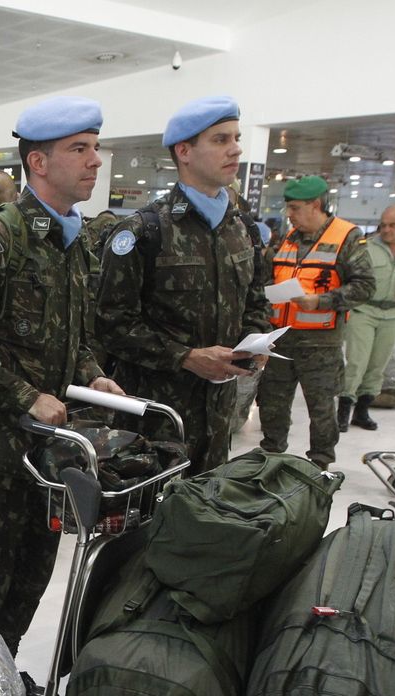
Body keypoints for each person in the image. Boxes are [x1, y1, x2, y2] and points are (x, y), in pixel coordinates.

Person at [0, 95, 127, 656]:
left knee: (33, 579)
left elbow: (73, 336)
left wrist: (92, 375)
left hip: (52, 450)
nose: (94, 161)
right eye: (79, 149)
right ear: (37, 163)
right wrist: (24, 395)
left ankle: (2, 683)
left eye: (95, 148)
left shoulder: (75, 242)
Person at [94, 95, 271, 474]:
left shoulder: (244, 229)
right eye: (220, 140)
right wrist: (187, 357)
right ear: (185, 151)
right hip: (155, 421)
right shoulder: (144, 231)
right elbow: (111, 324)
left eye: (236, 138)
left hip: (219, 415)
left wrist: (255, 342)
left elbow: (256, 301)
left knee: (203, 516)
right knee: (149, 525)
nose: (236, 149)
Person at [256, 175, 374, 470]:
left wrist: (320, 301)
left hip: (320, 344)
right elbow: (268, 280)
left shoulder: (346, 237)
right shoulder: (287, 239)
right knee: (272, 405)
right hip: (280, 340)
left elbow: (365, 287)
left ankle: (319, 467)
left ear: (316, 205)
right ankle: (269, 461)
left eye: (295, 208)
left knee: (321, 411)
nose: (289, 214)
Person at [339, 204, 395, 430]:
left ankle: (362, 410)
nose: (386, 230)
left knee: (378, 365)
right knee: (357, 362)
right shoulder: (366, 248)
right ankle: (343, 410)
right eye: (383, 225)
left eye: (392, 225)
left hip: (393, 314)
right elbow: (349, 277)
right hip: (364, 311)